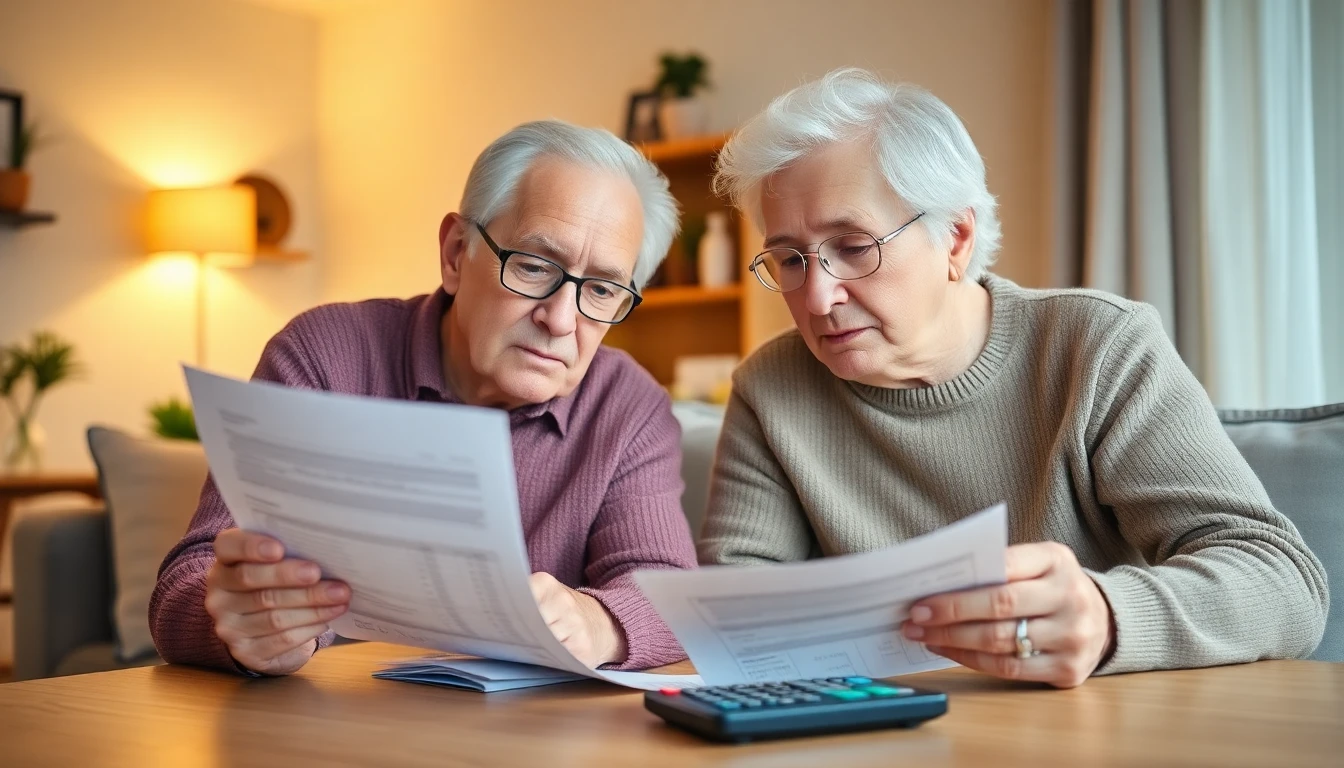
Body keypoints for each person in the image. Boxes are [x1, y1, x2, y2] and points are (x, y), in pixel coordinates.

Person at [700, 68, 1328, 688]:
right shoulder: (772, 386)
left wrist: (1109, 618)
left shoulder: (1097, 347)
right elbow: (736, 615)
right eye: (789, 259)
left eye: (855, 247)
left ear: (955, 239)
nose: (816, 297)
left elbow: (1285, 583)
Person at [151, 120, 696, 676]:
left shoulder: (628, 405)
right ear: (457, 253)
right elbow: (186, 583)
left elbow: (668, 593)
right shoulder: (323, 355)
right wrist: (236, 624)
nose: (560, 319)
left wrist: (596, 621)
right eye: (533, 267)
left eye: (602, 290)